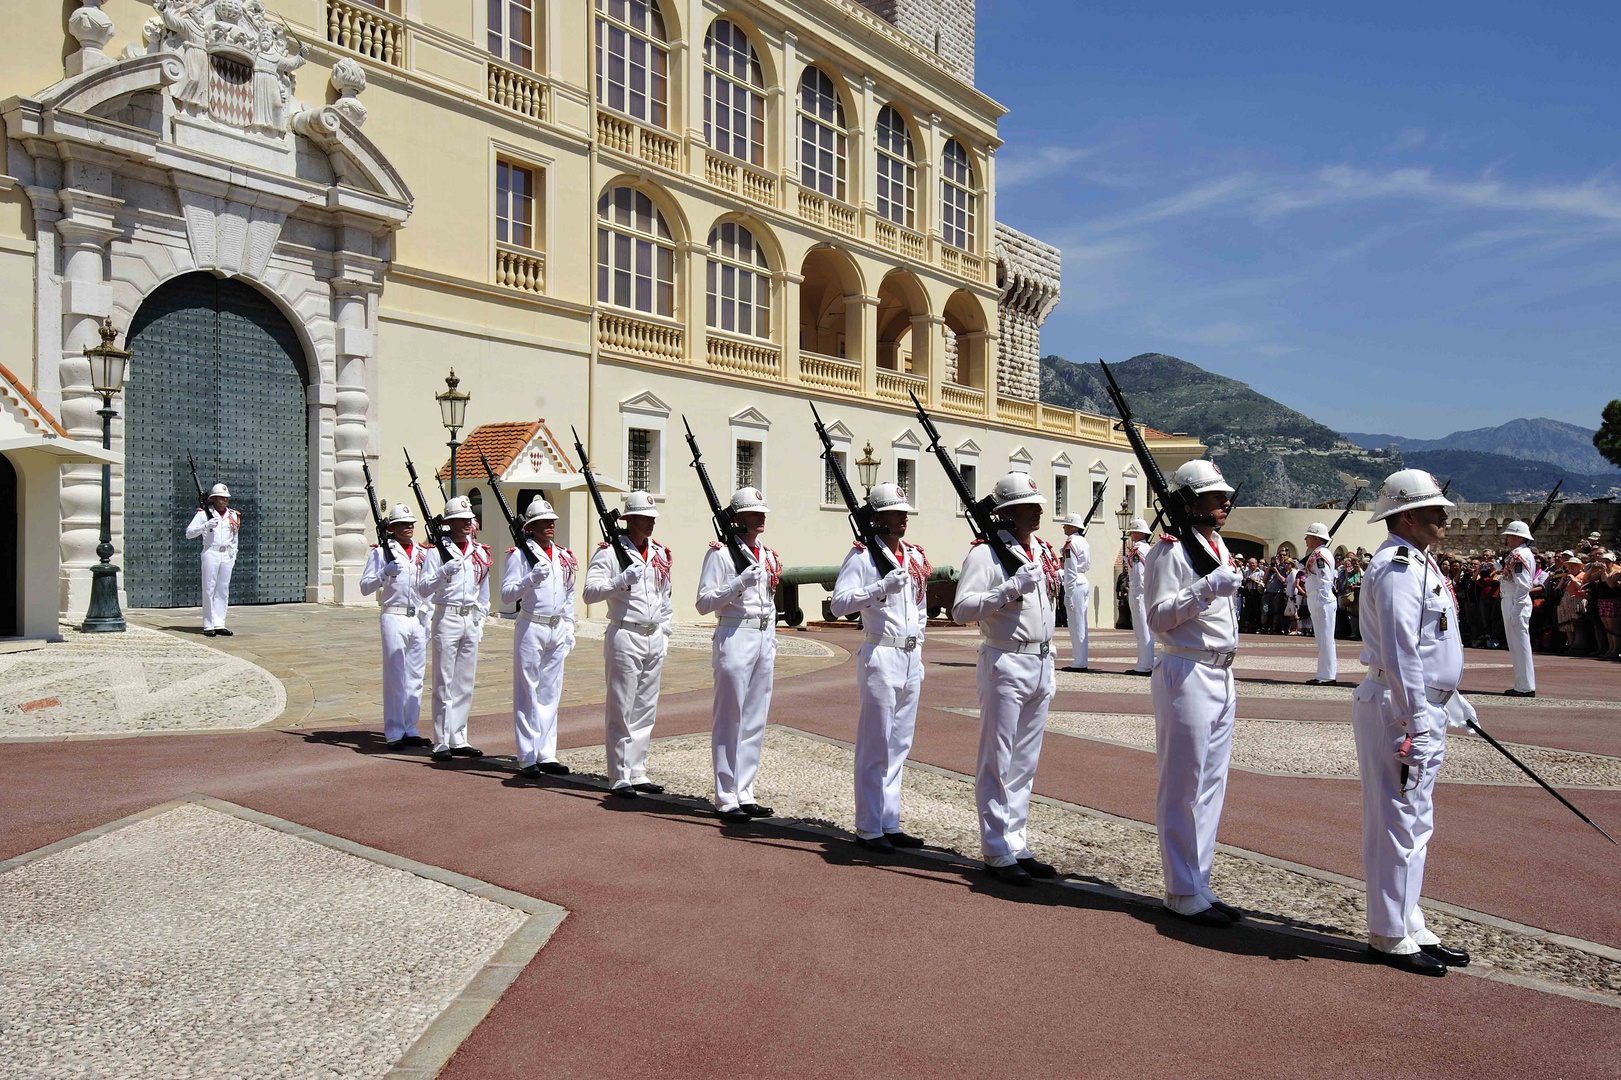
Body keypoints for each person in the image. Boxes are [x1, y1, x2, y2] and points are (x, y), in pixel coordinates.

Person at [1353, 469, 1475, 977]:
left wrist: (1449, 699)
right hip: (1399, 708)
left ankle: (1408, 918)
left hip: (1422, 704)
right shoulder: (1397, 569)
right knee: (1397, 821)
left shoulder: (1419, 563)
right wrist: (1415, 720)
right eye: (1433, 508)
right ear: (1406, 516)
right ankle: (1387, 932)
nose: (1444, 516)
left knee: (1417, 821)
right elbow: (1402, 652)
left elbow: (1430, 647)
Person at [1143, 459, 1242, 927]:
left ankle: (1199, 879)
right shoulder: (1168, 552)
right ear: (1189, 501)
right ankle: (1180, 889)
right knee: (1183, 783)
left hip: (1221, 673)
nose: (1225, 501)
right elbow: (1159, 617)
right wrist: (1204, 590)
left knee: (1211, 786)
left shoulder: (1213, 544)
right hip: (1187, 670)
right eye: (1214, 495)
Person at [952, 472, 1062, 886]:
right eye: (1028, 505)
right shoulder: (986, 554)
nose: (1038, 510)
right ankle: (996, 847)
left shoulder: (1041, 550)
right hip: (1005, 661)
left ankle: (1017, 840)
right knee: (997, 760)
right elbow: (963, 609)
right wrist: (1009, 589)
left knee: (1025, 762)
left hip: (1040, 661)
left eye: (1038, 504)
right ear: (1006, 512)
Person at [830, 482, 931, 852]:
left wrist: (917, 642)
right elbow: (838, 605)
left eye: (905, 512)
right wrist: (878, 589)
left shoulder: (914, 556)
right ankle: (869, 825)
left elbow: (919, 606)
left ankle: (890, 820)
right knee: (875, 743)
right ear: (877, 518)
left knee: (900, 744)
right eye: (895, 512)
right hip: (881, 654)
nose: (904, 517)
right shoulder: (863, 557)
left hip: (909, 656)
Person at [696, 487, 782, 824]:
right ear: (737, 518)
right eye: (753, 512)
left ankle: (745, 790)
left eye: (762, 512)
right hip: (734, 633)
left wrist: (771, 639)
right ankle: (725, 794)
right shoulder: (720, 555)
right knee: (730, 716)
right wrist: (737, 584)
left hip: (762, 636)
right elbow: (703, 604)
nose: (761, 517)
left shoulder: (767, 554)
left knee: (755, 718)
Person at [582, 490, 674, 799]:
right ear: (629, 520)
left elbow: (665, 596)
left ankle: (637, 770)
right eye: (644, 519)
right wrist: (620, 581)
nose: (650, 524)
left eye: (652, 519)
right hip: (625, 634)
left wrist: (666, 631)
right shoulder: (609, 552)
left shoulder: (659, 553)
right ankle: (619, 774)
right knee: (621, 707)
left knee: (646, 708)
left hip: (653, 635)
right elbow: (590, 593)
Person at [501, 497, 577, 778]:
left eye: (552, 522)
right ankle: (527, 755)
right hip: (531, 625)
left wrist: (569, 626)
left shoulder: (563, 555)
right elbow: (507, 595)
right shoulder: (519, 555)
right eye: (543, 522)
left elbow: (568, 594)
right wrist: (529, 579)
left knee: (550, 692)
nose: (550, 526)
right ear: (530, 527)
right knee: (527, 691)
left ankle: (546, 752)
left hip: (556, 627)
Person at [417, 496, 490, 762]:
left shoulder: (480, 552)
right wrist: (440, 572)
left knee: (465, 682)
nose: (465, 525)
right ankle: (440, 740)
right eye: (459, 520)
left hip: (469, 618)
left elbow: (484, 591)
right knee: (443, 680)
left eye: (468, 520)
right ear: (449, 523)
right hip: (446, 616)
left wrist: (480, 620)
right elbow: (423, 588)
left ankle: (458, 737)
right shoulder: (436, 552)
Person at [360, 503, 431, 751]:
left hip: (417, 617)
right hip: (394, 615)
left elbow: (428, 587)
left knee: (415, 677)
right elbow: (365, 587)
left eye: (411, 523)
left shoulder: (423, 552)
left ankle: (410, 727)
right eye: (403, 524)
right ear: (392, 528)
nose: (409, 527)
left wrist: (428, 617)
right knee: (395, 675)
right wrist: (383, 574)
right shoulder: (380, 553)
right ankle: (393, 730)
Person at [185, 482, 240, 637]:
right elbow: (189, 533)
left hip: (226, 554)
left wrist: (233, 554)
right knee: (209, 588)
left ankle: (219, 622)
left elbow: (235, 537)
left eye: (226, 498)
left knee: (223, 589)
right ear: (213, 499)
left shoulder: (233, 515)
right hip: (211, 552)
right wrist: (205, 526)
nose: (224, 501)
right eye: (221, 498)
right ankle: (209, 624)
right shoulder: (203, 514)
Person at [1498, 521, 1538, 697]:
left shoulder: (1518, 556)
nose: (1506, 538)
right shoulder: (1518, 554)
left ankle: (1525, 686)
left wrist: (1516, 610)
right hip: (1513, 600)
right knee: (1517, 645)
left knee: (1519, 645)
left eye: (1509, 535)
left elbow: (1523, 586)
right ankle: (1523, 684)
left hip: (1515, 601)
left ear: (1518, 537)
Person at [1302, 523, 1338, 685]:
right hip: (1317, 599)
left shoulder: (1320, 555)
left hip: (1321, 599)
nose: (1305, 539)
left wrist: (1321, 600)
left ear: (1316, 538)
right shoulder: (1318, 553)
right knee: (1322, 638)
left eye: (1308, 536)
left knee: (1325, 638)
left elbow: (1324, 579)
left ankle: (1327, 676)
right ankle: (1325, 673)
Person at [1058, 511, 1093, 672]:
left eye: (1066, 524)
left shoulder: (1071, 542)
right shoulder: (1083, 541)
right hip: (1082, 580)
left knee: (1076, 624)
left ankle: (1079, 661)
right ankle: (1080, 659)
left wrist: (1069, 593)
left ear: (1072, 527)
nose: (1064, 527)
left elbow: (1070, 569)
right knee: (1080, 623)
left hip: (1075, 583)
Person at [1126, 518, 1154, 673]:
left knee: (1141, 628)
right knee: (1145, 629)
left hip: (1139, 592)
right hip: (1145, 592)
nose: (1130, 534)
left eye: (1132, 531)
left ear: (1137, 532)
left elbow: (1138, 575)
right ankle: (1146, 662)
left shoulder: (1137, 549)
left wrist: (1136, 593)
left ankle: (1144, 665)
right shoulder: (1147, 548)